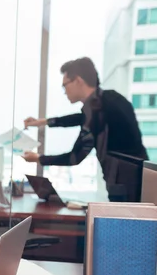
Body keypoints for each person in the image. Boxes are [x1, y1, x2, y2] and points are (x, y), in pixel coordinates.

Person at [22, 57, 148, 200]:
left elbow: (75, 157)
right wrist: (43, 122)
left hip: (125, 186)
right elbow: (81, 118)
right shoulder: (110, 99)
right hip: (143, 180)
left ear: (78, 81)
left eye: (65, 85)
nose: (64, 91)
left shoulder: (95, 110)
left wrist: (39, 159)